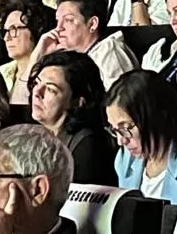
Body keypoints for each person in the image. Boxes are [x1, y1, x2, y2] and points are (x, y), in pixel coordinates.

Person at [105, 71, 177, 204]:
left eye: (125, 128)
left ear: (155, 118)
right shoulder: (124, 160)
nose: (121, 141)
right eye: (114, 130)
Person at [25, 51, 113, 186]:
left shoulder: (87, 145)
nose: (37, 93)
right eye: (37, 83)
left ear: (78, 102)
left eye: (50, 89)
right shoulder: (35, 136)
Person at [33, 0, 137, 89]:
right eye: (57, 21)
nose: (59, 28)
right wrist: (39, 55)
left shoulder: (110, 54)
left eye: (68, 20)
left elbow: (123, 103)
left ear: (92, 24)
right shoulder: (67, 56)